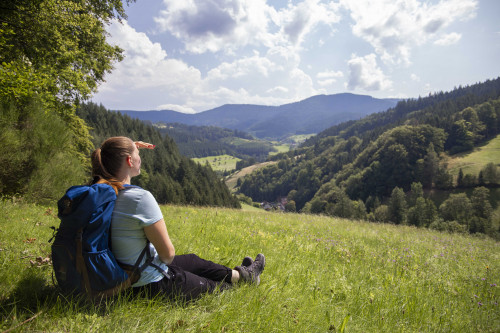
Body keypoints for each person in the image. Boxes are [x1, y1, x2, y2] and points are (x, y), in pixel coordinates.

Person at [90, 136, 265, 301]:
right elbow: (168, 255)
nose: (140, 157)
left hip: (119, 276)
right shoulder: (138, 198)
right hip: (148, 284)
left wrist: (128, 149)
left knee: (192, 261)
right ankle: (241, 284)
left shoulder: (100, 194)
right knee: (219, 289)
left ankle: (243, 275)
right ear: (129, 160)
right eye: (138, 155)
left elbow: (109, 156)